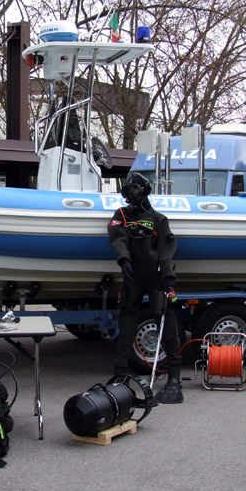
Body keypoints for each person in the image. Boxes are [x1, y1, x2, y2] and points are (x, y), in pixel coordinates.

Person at [108, 172, 184, 403]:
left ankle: (174, 377)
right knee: (127, 318)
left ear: (143, 191)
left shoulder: (158, 219)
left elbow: (165, 250)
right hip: (133, 275)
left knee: (165, 318)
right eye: (127, 190)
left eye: (134, 190)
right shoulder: (121, 214)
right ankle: (121, 371)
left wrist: (168, 278)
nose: (130, 195)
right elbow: (117, 237)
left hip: (155, 276)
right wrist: (124, 259)